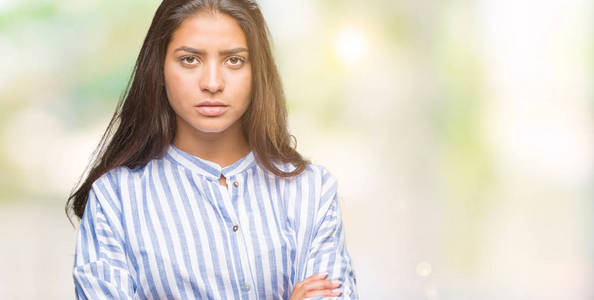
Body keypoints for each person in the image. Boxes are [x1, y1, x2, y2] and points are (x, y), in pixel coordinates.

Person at [65, 0, 358, 299]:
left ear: (258, 72)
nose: (213, 83)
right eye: (190, 60)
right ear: (159, 69)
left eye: (234, 61)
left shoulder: (311, 190)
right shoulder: (115, 199)